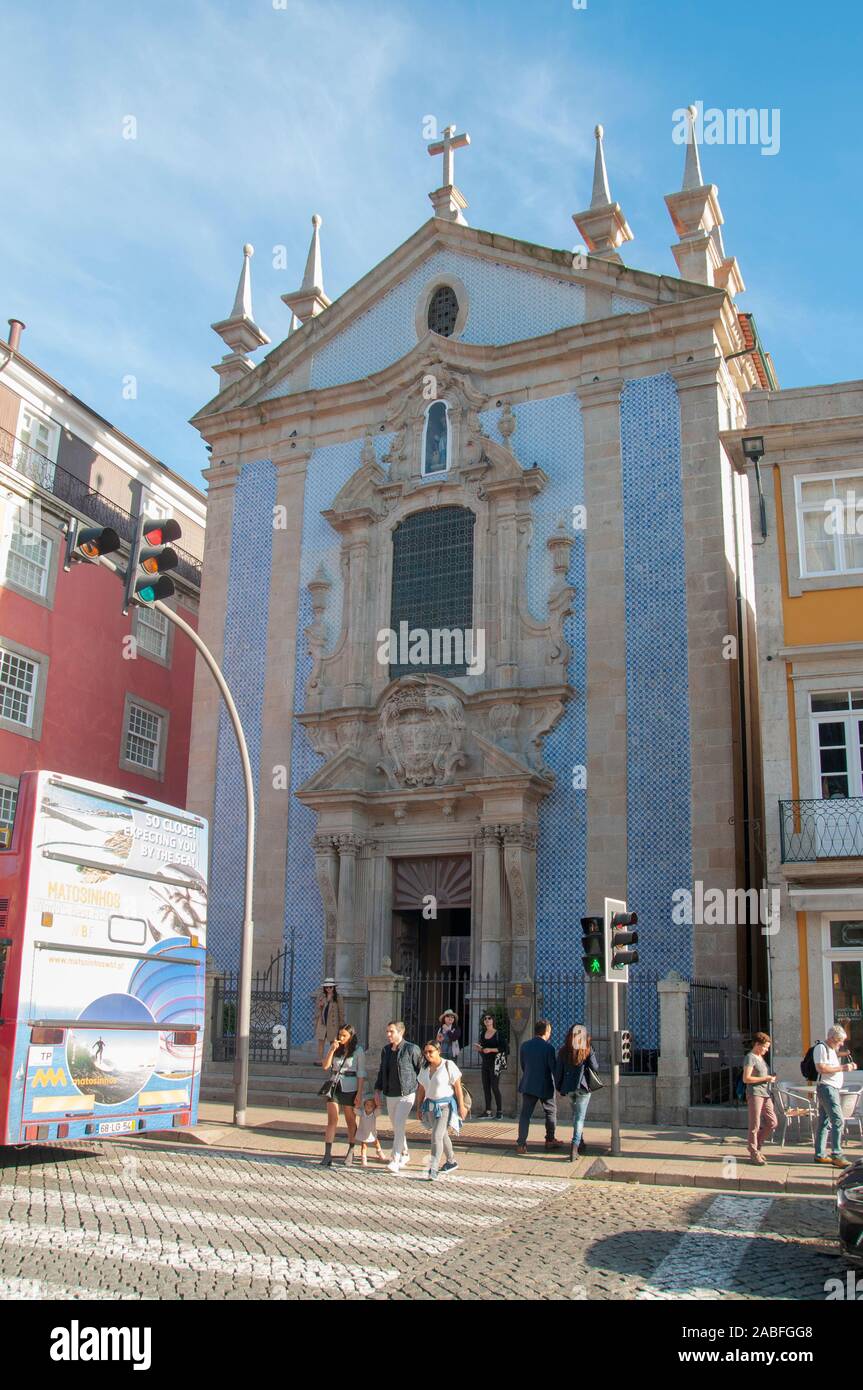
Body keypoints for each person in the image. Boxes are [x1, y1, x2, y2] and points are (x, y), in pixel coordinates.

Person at [374, 1020, 423, 1174]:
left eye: (391, 1031)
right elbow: (382, 1071)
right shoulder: (386, 1050)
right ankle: (405, 1153)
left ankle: (395, 1159)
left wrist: (423, 1093)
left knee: (400, 1124)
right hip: (390, 1093)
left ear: (400, 1032)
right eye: (387, 1031)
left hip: (407, 1093)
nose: (388, 1034)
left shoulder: (411, 1049)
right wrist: (377, 1089)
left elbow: (421, 1070)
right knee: (397, 1127)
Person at [415, 1040, 468, 1181]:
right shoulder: (425, 1068)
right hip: (430, 1106)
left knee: (436, 1136)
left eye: (430, 1051)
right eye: (425, 1052)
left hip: (445, 1106)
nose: (427, 1055)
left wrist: (462, 1106)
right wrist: (418, 1106)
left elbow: (457, 1087)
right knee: (442, 1135)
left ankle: (433, 1168)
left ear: (438, 1051)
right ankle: (451, 1161)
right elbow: (421, 1088)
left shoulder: (448, 1065)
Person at [516, 1018, 564, 1154]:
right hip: (545, 1085)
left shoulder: (525, 1045)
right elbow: (553, 1069)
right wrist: (560, 1086)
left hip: (528, 1084)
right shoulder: (549, 1048)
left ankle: (521, 1144)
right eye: (550, 1031)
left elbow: (523, 1065)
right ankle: (550, 1139)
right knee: (550, 1112)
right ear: (546, 1031)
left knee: (525, 1115)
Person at [320, 1024, 366, 1167]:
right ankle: (327, 1154)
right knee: (332, 1119)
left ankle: (351, 1151)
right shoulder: (335, 1047)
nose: (341, 1038)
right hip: (334, 1085)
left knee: (350, 1120)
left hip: (350, 1087)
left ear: (351, 1036)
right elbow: (325, 1066)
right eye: (340, 1035)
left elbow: (361, 1073)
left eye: (344, 1035)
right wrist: (332, 1050)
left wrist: (359, 1093)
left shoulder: (358, 1051)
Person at [554, 1023, 599, 1161]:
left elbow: (558, 1071)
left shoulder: (563, 1051)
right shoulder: (587, 1049)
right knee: (579, 1118)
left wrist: (559, 1087)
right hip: (583, 1088)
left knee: (576, 1115)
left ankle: (581, 1141)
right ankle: (574, 1147)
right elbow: (595, 1067)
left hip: (569, 1088)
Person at [814, 1024, 855, 1169]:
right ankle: (837, 1154)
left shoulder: (831, 1049)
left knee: (825, 1121)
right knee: (838, 1120)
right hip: (827, 1088)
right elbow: (821, 1068)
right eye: (840, 1040)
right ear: (832, 1038)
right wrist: (843, 1068)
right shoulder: (821, 1048)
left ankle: (820, 1154)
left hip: (832, 1088)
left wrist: (844, 1060)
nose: (841, 1044)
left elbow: (830, 1064)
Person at [742, 1031, 778, 1165]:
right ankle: (753, 1152)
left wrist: (770, 1078)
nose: (767, 1050)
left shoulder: (761, 1058)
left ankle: (757, 1145)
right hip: (755, 1093)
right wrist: (766, 1078)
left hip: (765, 1093)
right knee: (755, 1124)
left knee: (772, 1122)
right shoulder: (750, 1057)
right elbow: (746, 1078)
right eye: (765, 1047)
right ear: (757, 1044)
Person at [475, 1012, 505, 1118]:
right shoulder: (483, 1034)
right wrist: (480, 1048)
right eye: (485, 1019)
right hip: (485, 1063)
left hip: (495, 1063)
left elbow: (505, 1048)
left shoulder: (498, 1034)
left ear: (493, 1021)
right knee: (486, 1087)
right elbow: (482, 1048)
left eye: (489, 1018)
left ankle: (499, 1112)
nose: (487, 1020)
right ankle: (488, 1111)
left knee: (495, 1087)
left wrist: (491, 1049)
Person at [313, 980, 344, 1062]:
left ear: (334, 987)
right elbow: (317, 1009)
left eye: (330, 987)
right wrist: (320, 1006)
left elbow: (341, 1011)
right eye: (326, 987)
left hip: (333, 1023)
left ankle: (333, 1059)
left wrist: (342, 1024)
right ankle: (320, 1059)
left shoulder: (338, 997)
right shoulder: (321, 997)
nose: (328, 989)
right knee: (321, 1041)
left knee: (333, 1041)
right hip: (322, 1022)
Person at [355, 1096, 386, 1168]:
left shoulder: (374, 1114)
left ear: (374, 1107)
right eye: (367, 1105)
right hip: (363, 1132)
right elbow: (356, 1110)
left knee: (376, 1142)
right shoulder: (362, 1113)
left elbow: (379, 1111)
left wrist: (378, 1105)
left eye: (371, 1105)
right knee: (363, 1145)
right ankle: (363, 1158)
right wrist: (357, 1105)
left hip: (371, 1133)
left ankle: (379, 1151)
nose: (369, 1107)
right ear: (364, 1105)